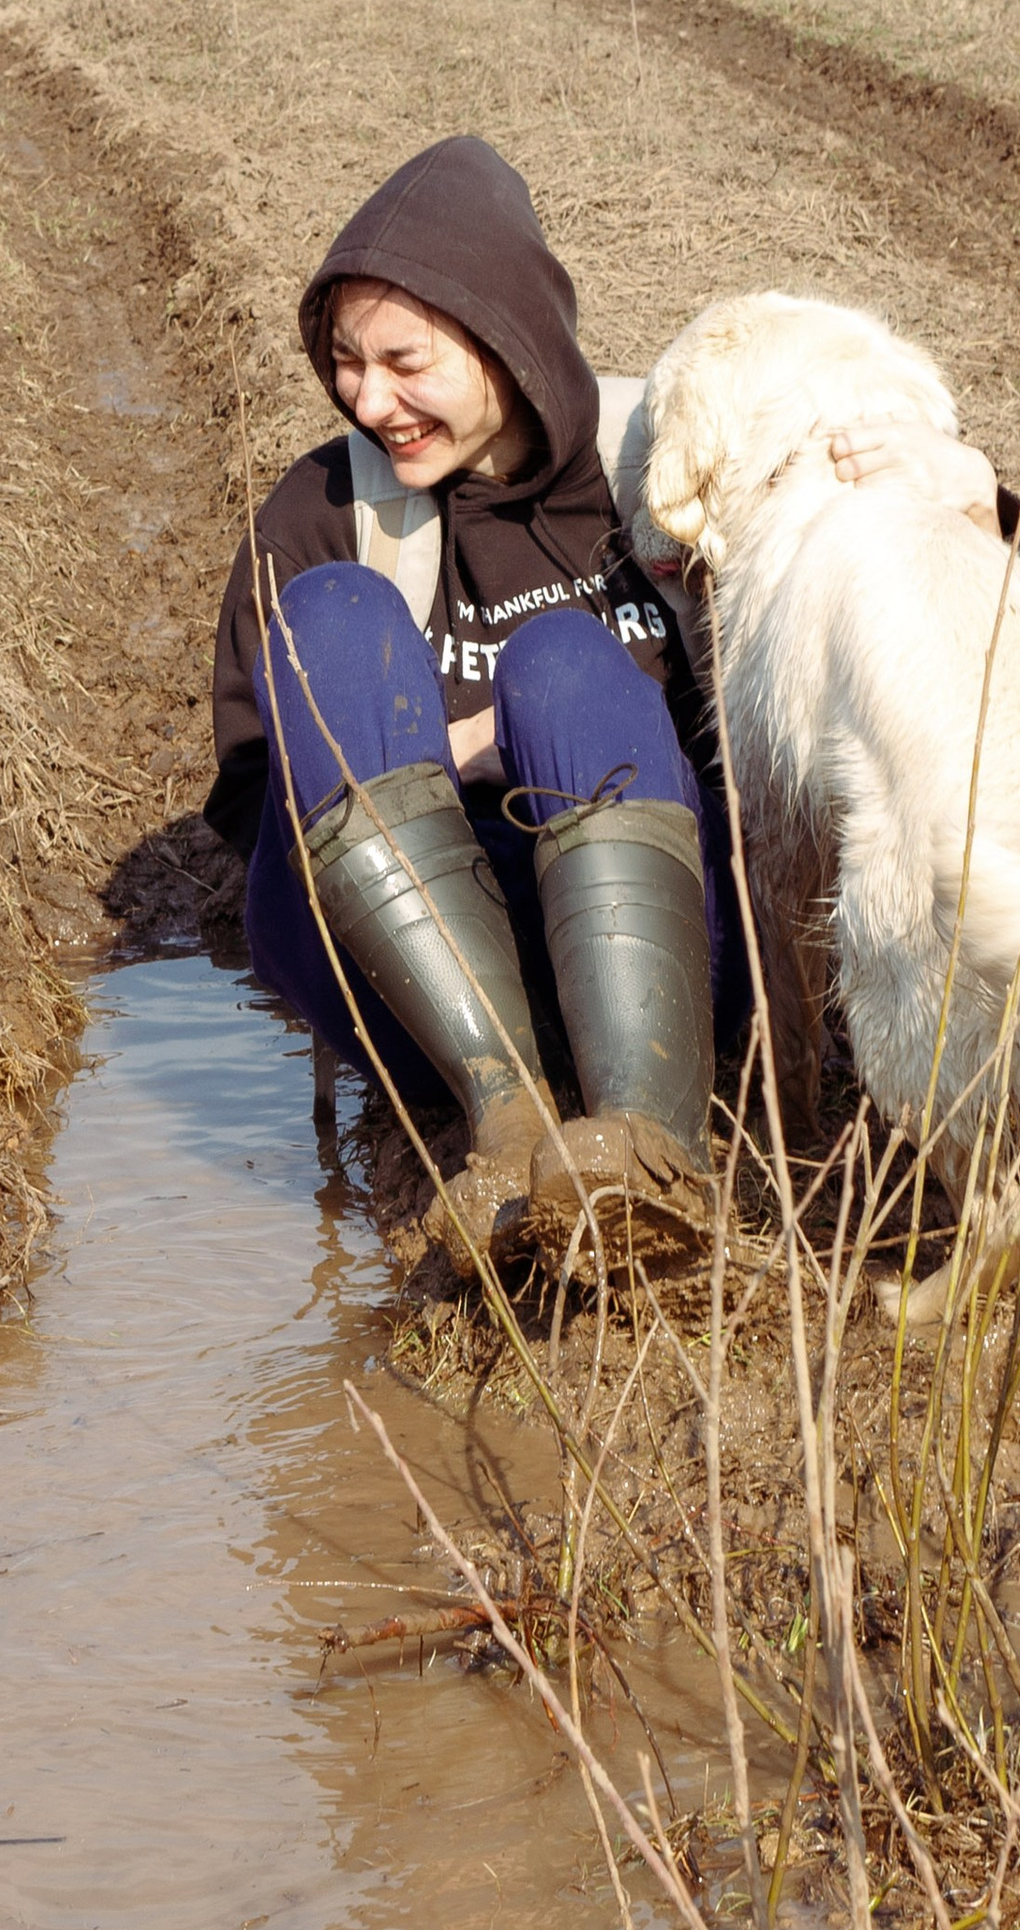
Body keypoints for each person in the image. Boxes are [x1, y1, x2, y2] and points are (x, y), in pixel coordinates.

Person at [205, 137, 737, 1264]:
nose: (368, 397)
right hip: (405, 979)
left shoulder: (667, 466)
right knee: (338, 616)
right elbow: (257, 804)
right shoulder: (317, 511)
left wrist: (516, 728)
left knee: (564, 664)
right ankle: (506, 1124)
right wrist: (440, 758)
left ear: (506, 339)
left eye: (405, 360)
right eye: (347, 361)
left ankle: (650, 1152)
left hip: (663, 944)